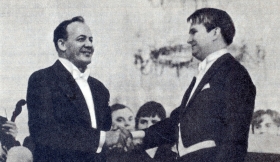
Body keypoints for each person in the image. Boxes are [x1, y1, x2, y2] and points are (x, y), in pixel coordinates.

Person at [130, 8, 256, 162]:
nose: (188, 39)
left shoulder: (235, 74)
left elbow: (235, 139)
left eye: (194, 32)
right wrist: (135, 136)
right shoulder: (205, 72)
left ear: (215, 33)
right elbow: (178, 121)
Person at [26, 16, 129, 162]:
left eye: (91, 40)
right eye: (81, 39)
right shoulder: (43, 79)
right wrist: (102, 138)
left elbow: (106, 135)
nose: (89, 45)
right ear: (62, 44)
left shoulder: (99, 89)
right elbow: (45, 132)